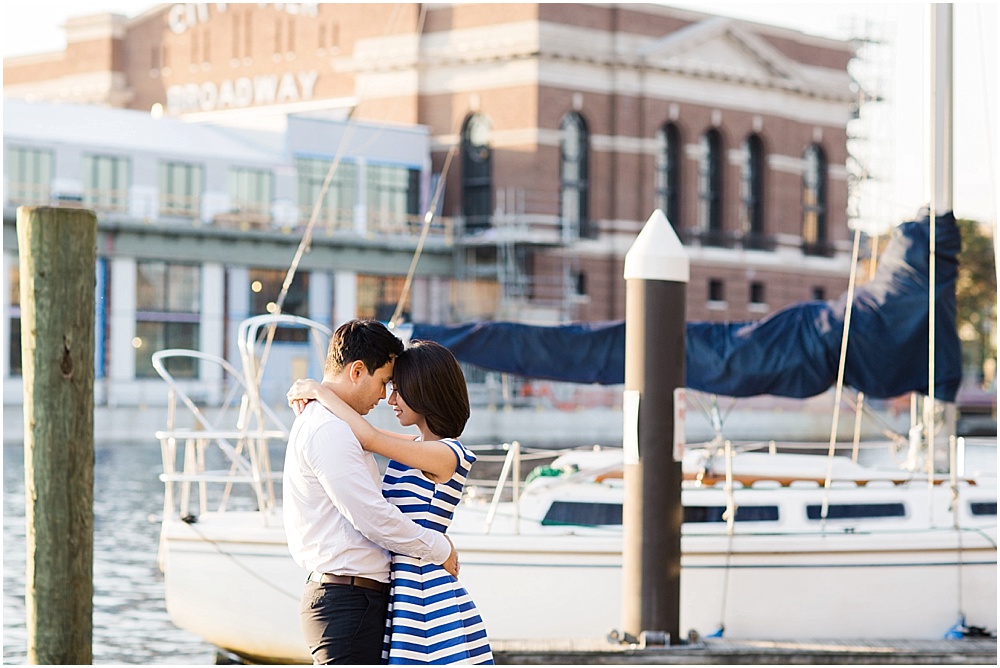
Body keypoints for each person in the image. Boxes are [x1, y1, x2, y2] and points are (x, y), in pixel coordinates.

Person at [287, 339, 494, 665]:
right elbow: (365, 435)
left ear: (424, 392)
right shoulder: (417, 446)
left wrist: (323, 393)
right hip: (405, 587)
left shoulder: (447, 454)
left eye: (397, 389)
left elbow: (369, 437)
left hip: (425, 590)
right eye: (388, 386)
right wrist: (320, 396)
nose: (390, 399)